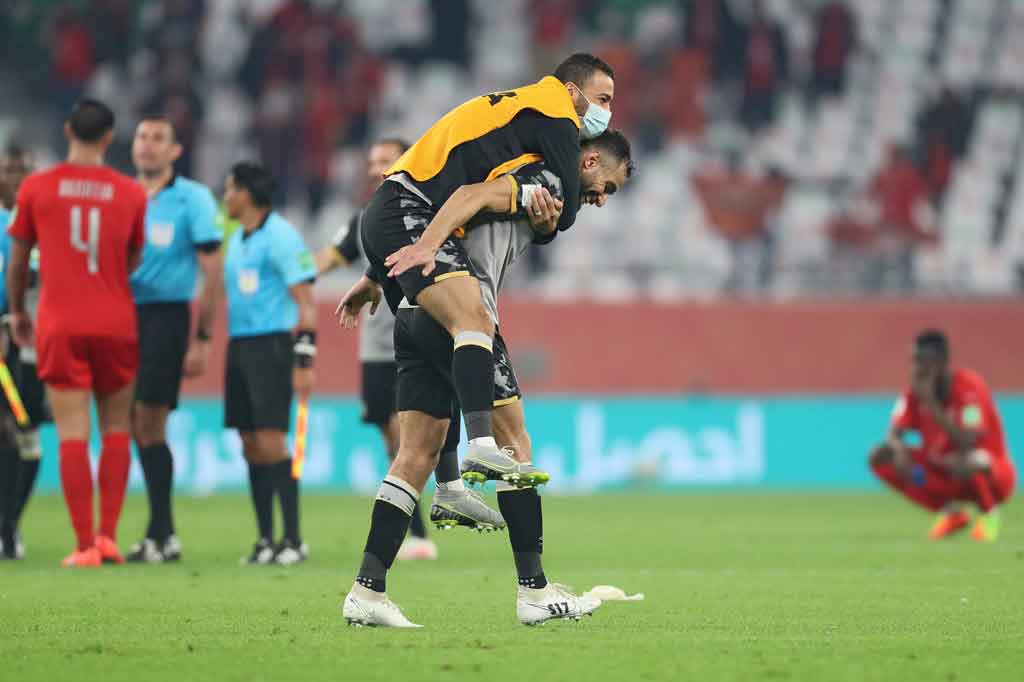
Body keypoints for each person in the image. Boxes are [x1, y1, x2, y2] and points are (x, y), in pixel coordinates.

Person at [340, 130, 634, 627]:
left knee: (415, 454)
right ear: (588, 160)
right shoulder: (542, 179)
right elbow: (467, 198)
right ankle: (534, 592)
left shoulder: (534, 189)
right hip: (460, 317)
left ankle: (366, 591)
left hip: (414, 310)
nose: (603, 199)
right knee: (515, 444)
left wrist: (375, 275)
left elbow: (444, 209)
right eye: (608, 184)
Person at [340, 53, 616, 486]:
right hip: (410, 209)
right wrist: (552, 221)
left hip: (393, 215)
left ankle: (449, 489)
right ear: (571, 91)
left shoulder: (519, 114)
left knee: (437, 386)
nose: (605, 111)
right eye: (601, 98)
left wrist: (375, 273)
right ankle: (481, 449)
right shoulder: (556, 113)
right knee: (472, 323)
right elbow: (563, 211)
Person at [7, 99, 147, 567]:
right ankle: (108, 537)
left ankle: (84, 544)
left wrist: (16, 312)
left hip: (60, 321)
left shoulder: (37, 187)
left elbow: (19, 256)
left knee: (71, 433)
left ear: (68, 130)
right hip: (115, 319)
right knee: (115, 429)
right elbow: (132, 259)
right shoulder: (130, 192)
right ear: (109, 138)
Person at [315, 138, 440, 561]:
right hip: (374, 347)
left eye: (384, 161)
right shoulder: (365, 219)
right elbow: (329, 258)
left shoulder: (428, 214)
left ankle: (423, 527)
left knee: (411, 436)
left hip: (416, 340)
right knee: (392, 440)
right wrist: (288, 272)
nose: (375, 169)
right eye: (372, 162)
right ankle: (416, 529)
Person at [126, 115, 224, 564]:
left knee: (150, 419)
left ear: (174, 150)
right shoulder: (123, 195)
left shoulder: (193, 199)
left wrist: (201, 336)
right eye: (142, 137)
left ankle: (163, 532)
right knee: (132, 421)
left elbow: (212, 271)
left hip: (164, 319)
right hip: (119, 316)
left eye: (157, 138)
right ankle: (158, 532)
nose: (147, 145)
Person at [222, 161, 316, 566]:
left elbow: (307, 305)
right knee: (248, 444)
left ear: (246, 193)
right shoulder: (236, 238)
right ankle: (265, 540)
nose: (224, 197)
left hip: (273, 346)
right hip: (239, 345)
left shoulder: (281, 236)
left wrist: (303, 360)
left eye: (229, 189)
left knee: (272, 441)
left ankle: (293, 539)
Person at [869, 330, 1016, 542]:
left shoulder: (969, 388)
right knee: (881, 457)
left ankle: (988, 514)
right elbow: (894, 432)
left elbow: (967, 442)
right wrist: (900, 451)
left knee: (969, 460)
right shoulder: (915, 391)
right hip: (942, 472)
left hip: (989, 475)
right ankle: (952, 513)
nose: (917, 367)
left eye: (923, 361)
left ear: (942, 361)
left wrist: (932, 404)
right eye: (914, 360)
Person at [0, 145, 50, 560]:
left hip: (30, 348)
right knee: (8, 433)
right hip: (5, 339)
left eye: (24, 171)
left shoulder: (44, 224)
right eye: (9, 171)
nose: (17, 178)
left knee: (27, 436)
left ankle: (11, 525)